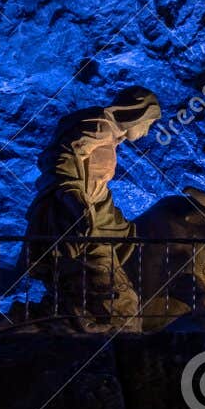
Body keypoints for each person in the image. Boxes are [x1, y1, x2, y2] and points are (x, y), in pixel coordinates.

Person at [24, 88, 161, 331]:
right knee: (119, 306)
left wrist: (119, 226)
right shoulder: (99, 126)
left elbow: (97, 188)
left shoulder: (109, 138)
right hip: (74, 224)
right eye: (149, 123)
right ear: (138, 114)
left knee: (88, 302)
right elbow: (62, 158)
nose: (147, 132)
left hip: (89, 224)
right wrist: (75, 202)